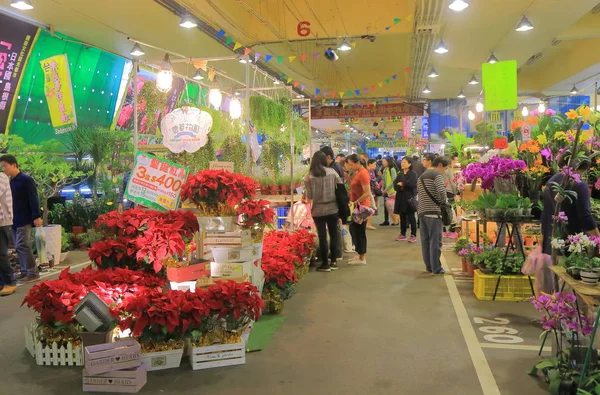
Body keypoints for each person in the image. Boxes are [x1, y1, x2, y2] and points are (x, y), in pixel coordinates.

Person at [541, 151, 600, 255]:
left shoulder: (551, 181)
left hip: (552, 243)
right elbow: (586, 217)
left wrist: (543, 241)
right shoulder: (579, 185)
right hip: (571, 245)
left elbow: (545, 214)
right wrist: (598, 240)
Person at [0, 155, 41, 282]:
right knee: (18, 246)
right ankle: (24, 271)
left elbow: (33, 197)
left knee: (23, 244)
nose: (3, 169)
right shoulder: (10, 181)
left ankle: (33, 272)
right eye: (2, 167)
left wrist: (37, 216)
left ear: (14, 165)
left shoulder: (26, 179)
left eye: (5, 166)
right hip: (14, 219)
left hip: (26, 218)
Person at [304, 152, 343, 272]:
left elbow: (309, 196)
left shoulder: (309, 176)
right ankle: (334, 262)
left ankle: (325, 263)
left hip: (317, 210)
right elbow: (340, 186)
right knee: (334, 235)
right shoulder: (332, 172)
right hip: (333, 208)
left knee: (322, 236)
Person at [417, 156, 450, 275]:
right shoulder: (437, 175)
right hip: (434, 213)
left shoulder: (422, 176)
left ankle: (429, 266)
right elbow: (441, 191)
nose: (445, 171)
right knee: (435, 241)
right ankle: (436, 268)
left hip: (422, 212)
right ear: (440, 165)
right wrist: (444, 203)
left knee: (425, 241)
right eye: (445, 168)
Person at [346, 154, 371, 265]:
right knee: (354, 230)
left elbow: (367, 193)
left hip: (361, 207)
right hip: (356, 206)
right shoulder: (358, 173)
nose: (350, 167)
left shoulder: (363, 174)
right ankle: (359, 254)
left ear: (357, 163)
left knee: (359, 231)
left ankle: (362, 257)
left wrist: (356, 202)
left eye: (351, 165)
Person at [394, 157, 418, 243]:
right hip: (400, 197)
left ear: (409, 164)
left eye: (404, 162)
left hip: (409, 198)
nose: (402, 164)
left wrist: (402, 184)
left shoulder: (413, 173)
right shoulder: (400, 173)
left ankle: (413, 234)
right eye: (402, 162)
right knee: (402, 217)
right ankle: (403, 234)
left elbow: (412, 183)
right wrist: (400, 185)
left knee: (411, 217)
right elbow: (395, 184)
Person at [0, 171, 16, 295]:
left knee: (1, 254)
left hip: (2, 221)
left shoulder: (1, 177)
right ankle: (2, 283)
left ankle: (10, 282)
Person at [379, 157, 398, 226]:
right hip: (386, 191)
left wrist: (386, 189)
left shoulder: (392, 169)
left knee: (393, 207)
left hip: (392, 191)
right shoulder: (385, 169)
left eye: (384, 161)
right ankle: (389, 220)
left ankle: (396, 221)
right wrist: (381, 176)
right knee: (387, 207)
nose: (383, 163)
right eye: (383, 161)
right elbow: (384, 180)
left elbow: (394, 181)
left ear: (388, 162)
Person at [443, 164, 459, 238]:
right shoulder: (448, 171)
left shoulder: (438, 171)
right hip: (449, 193)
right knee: (453, 211)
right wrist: (456, 192)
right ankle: (452, 231)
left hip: (442, 193)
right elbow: (453, 183)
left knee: (443, 211)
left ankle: (444, 231)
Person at [366, 159, 381, 230]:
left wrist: (376, 183)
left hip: (372, 192)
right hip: (369, 193)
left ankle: (368, 223)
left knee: (371, 207)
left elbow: (374, 180)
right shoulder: (367, 171)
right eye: (374, 164)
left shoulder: (372, 171)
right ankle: (368, 224)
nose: (375, 166)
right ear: (369, 164)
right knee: (371, 208)